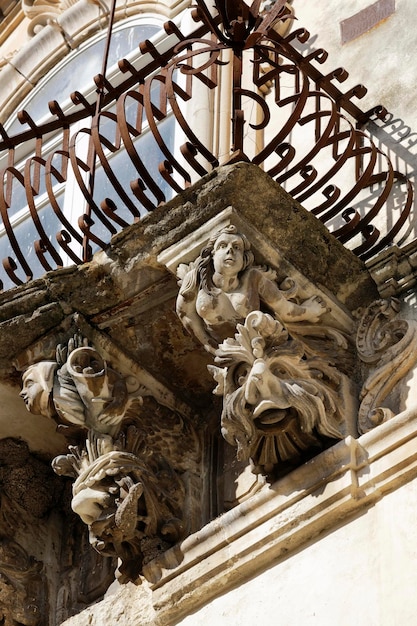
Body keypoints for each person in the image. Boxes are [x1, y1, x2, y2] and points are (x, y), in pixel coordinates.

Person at [176, 224, 328, 353]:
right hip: (223, 349)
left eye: (236, 247)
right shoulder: (196, 279)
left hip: (257, 347)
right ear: (212, 255)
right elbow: (185, 313)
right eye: (223, 246)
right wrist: (209, 345)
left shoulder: (253, 279)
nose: (230, 250)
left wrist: (309, 311)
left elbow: (282, 307)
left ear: (244, 260)